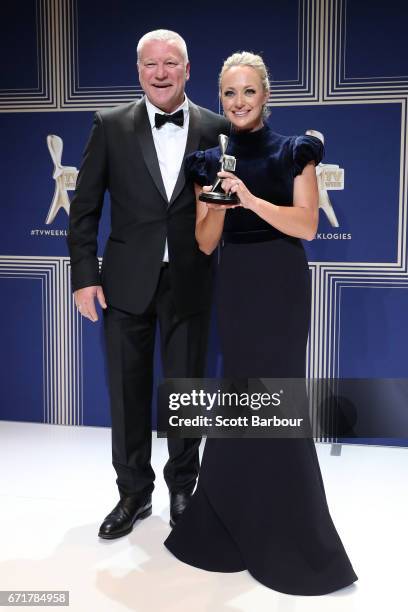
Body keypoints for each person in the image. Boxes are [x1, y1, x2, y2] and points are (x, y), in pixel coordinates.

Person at [164, 52, 358, 595]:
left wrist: (249, 197)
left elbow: (307, 224)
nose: (239, 102)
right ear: (219, 99)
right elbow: (205, 242)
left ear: (265, 94)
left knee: (279, 397)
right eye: (229, 93)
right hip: (237, 287)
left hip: (281, 284)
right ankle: (230, 515)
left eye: (248, 91)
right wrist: (222, 199)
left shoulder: (294, 151)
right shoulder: (209, 159)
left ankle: (294, 532)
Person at [67, 29, 228, 539]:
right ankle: (133, 494)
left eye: (171, 63)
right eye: (150, 64)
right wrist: (84, 277)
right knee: (127, 395)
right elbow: (85, 209)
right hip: (123, 283)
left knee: (186, 391)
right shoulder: (110, 125)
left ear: (187, 69)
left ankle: (184, 487)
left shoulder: (217, 127)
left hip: (190, 280)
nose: (160, 73)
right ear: (138, 70)